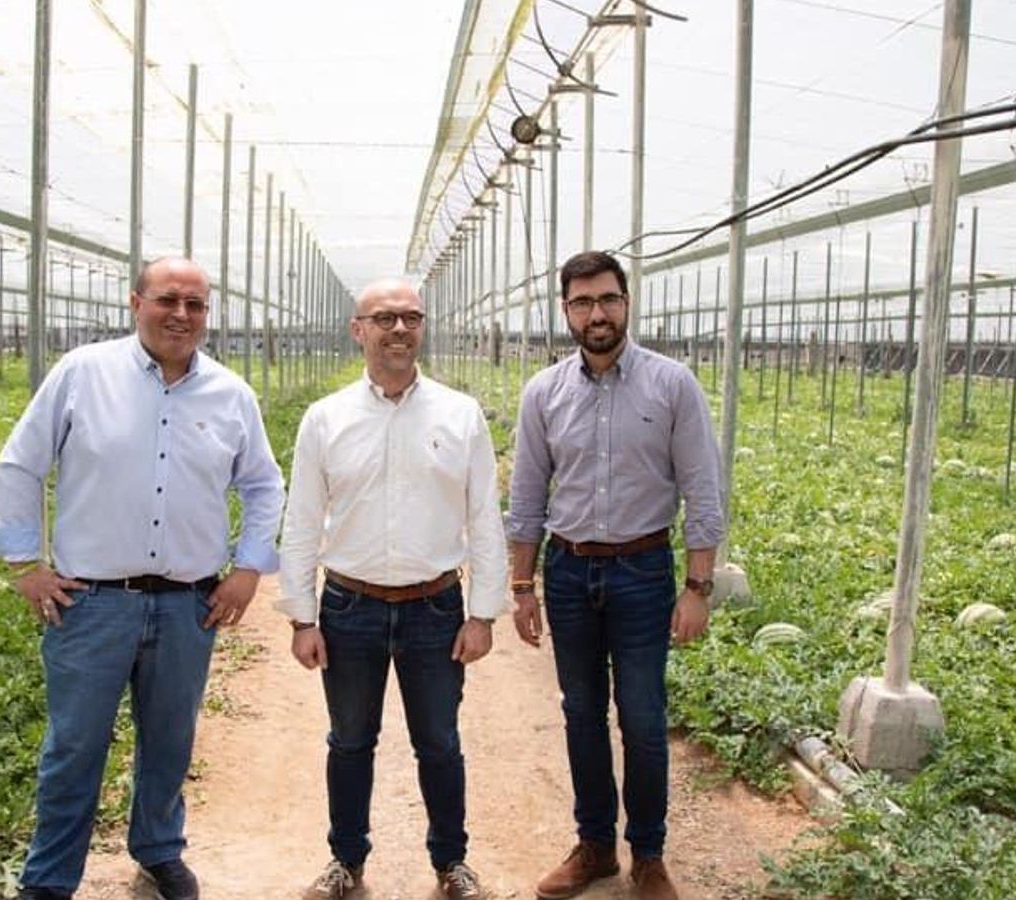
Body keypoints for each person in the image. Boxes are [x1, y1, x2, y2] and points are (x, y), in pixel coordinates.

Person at [0, 257, 285, 900]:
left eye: (196, 304)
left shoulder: (231, 394)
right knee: (74, 747)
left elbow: (263, 484)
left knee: (170, 741)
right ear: (136, 302)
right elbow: (19, 464)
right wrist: (24, 565)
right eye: (168, 299)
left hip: (188, 604)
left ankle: (157, 850)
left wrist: (249, 568)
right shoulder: (82, 373)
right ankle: (50, 877)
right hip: (91, 603)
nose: (181, 314)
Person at [277, 278, 507, 900]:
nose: (399, 329)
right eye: (384, 319)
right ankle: (345, 861)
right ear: (359, 330)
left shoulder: (459, 415)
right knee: (350, 740)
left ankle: (450, 863)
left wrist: (483, 612)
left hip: (435, 606)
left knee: (439, 742)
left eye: (410, 317)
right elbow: (301, 520)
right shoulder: (326, 419)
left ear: (422, 327)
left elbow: (484, 516)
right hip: (349, 605)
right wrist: (302, 618)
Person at [507, 251, 724, 900]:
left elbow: (702, 491)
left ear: (626, 304)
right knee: (580, 713)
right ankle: (595, 845)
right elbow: (526, 498)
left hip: (643, 571)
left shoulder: (671, 384)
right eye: (582, 302)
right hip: (570, 571)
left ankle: (649, 854)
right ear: (566, 310)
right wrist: (523, 587)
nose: (596, 313)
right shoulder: (544, 392)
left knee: (643, 716)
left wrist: (698, 588)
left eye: (607, 299)